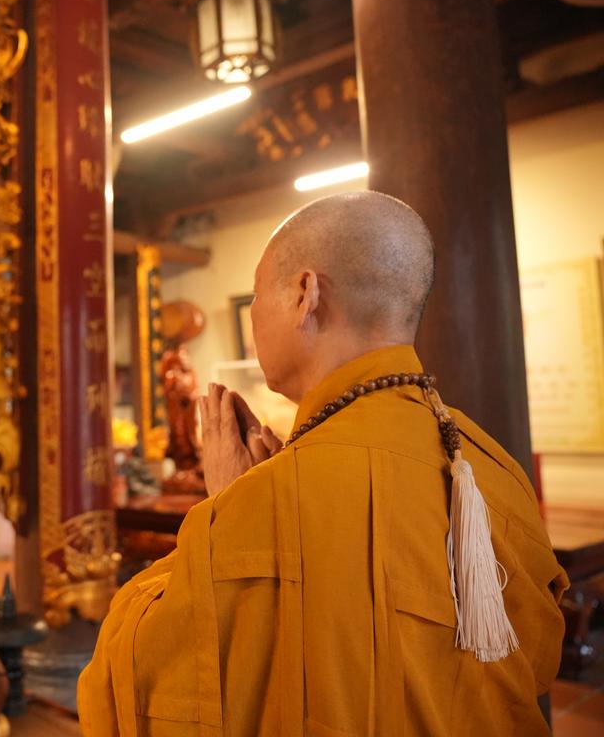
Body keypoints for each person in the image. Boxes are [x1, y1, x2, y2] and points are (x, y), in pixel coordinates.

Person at [79, 191, 567, 735]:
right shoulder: (490, 462)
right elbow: (537, 658)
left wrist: (227, 510)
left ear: (305, 295)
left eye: (259, 293)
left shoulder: (270, 497)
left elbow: (133, 673)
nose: (255, 314)